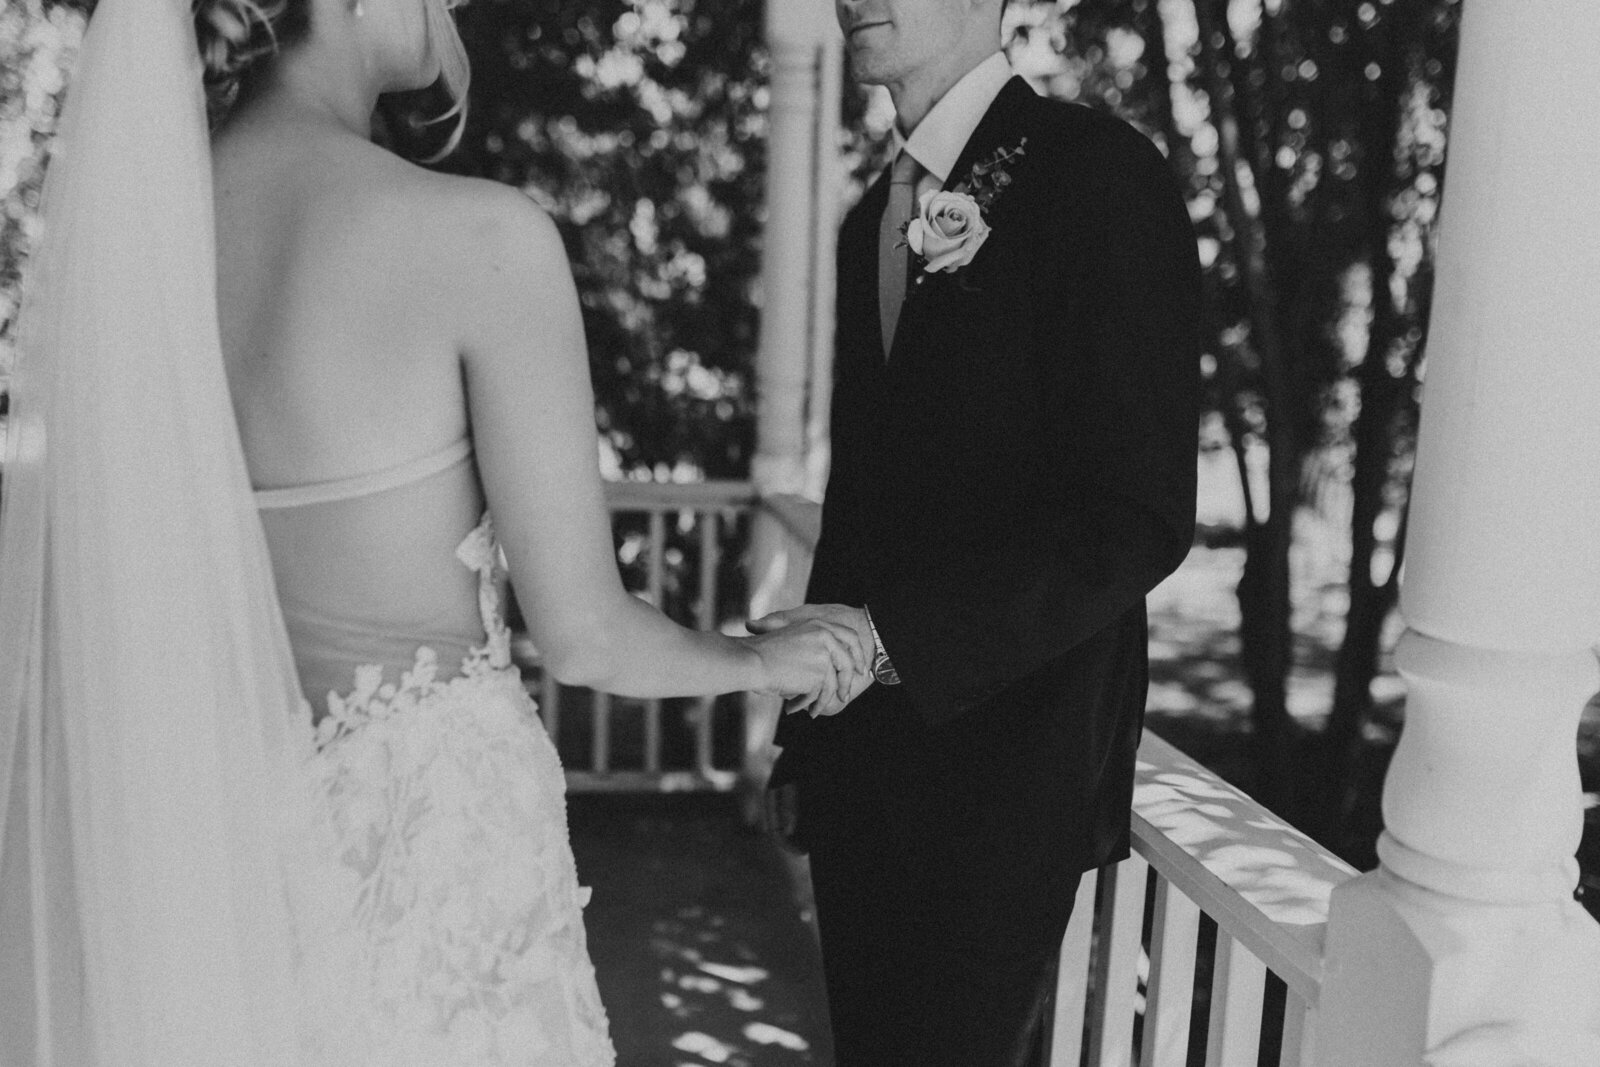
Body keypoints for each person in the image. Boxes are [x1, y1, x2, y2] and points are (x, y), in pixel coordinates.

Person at [0, 0, 870, 1064]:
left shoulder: (141, 246)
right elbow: (588, 634)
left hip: (205, 855)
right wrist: (759, 656)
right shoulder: (479, 239)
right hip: (431, 866)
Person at [757, 0, 1203, 1063]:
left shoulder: (1095, 175)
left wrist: (890, 641)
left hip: (1010, 771)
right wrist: (803, 745)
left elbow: (1136, 513)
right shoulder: (873, 217)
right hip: (862, 770)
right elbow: (862, 492)